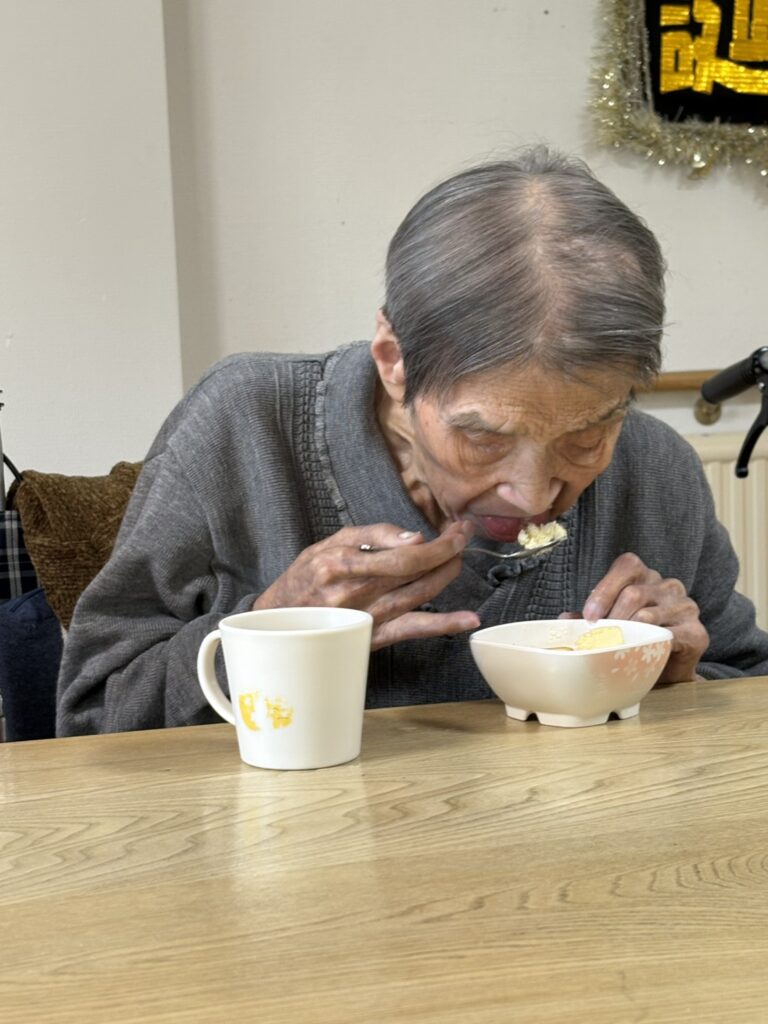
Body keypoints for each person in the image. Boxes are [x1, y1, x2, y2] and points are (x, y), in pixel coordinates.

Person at [56, 145, 768, 734]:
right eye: (482, 438)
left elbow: (744, 685)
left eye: (586, 437)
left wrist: (678, 680)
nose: (533, 494)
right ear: (394, 360)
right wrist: (269, 631)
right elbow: (89, 718)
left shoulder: (655, 468)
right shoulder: (244, 426)